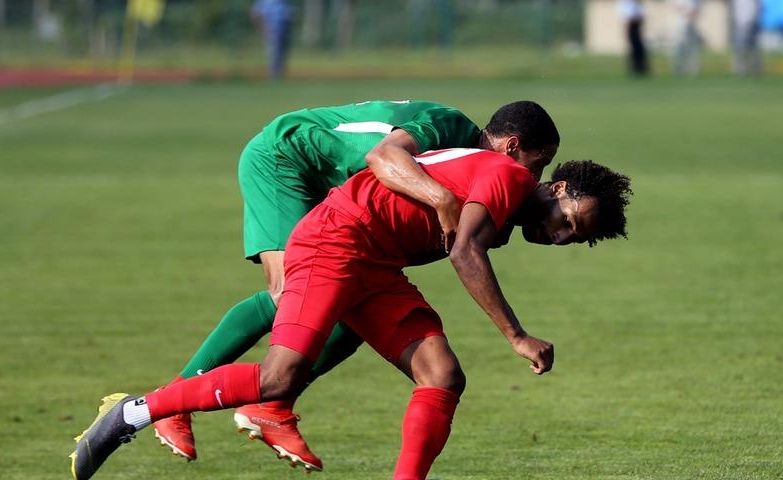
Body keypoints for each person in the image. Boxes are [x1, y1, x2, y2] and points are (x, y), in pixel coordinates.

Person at [70, 151, 632, 480]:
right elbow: (464, 251)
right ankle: (133, 413)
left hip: (373, 265)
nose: (559, 235)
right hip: (336, 242)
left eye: (571, 239)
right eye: (569, 220)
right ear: (558, 186)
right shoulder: (510, 178)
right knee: (279, 377)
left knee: (442, 375)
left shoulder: (506, 206)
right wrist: (515, 335)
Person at [141, 100, 562, 469]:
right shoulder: (449, 126)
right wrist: (441, 199)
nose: (536, 175)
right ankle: (172, 400)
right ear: (512, 147)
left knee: (349, 306)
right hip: (287, 157)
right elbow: (383, 156)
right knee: (290, 293)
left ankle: (272, 407)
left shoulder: (475, 169)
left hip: (337, 191)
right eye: (538, 162)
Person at [250, 0, 292, 79]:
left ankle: (281, 75)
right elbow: (255, 14)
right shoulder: (264, 2)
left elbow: (288, 14)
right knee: (273, 53)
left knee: (283, 53)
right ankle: (273, 75)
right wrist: (261, 28)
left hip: (284, 29)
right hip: (271, 30)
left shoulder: (283, 2)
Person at [618, 0, 649, 76]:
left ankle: (640, 67)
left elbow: (641, 13)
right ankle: (635, 67)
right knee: (634, 47)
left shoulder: (637, 3)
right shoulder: (626, 3)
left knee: (639, 47)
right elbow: (625, 14)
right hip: (631, 25)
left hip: (636, 24)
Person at [672, 0, 704, 76]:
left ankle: (691, 70)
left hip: (692, 23)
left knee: (692, 48)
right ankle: (679, 69)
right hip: (680, 23)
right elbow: (677, 7)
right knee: (680, 48)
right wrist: (686, 13)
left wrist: (694, 14)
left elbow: (698, 7)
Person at [731, 0, 762, 76]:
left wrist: (753, 19)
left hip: (750, 21)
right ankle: (741, 69)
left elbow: (758, 7)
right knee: (739, 48)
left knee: (751, 47)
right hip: (739, 22)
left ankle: (755, 68)